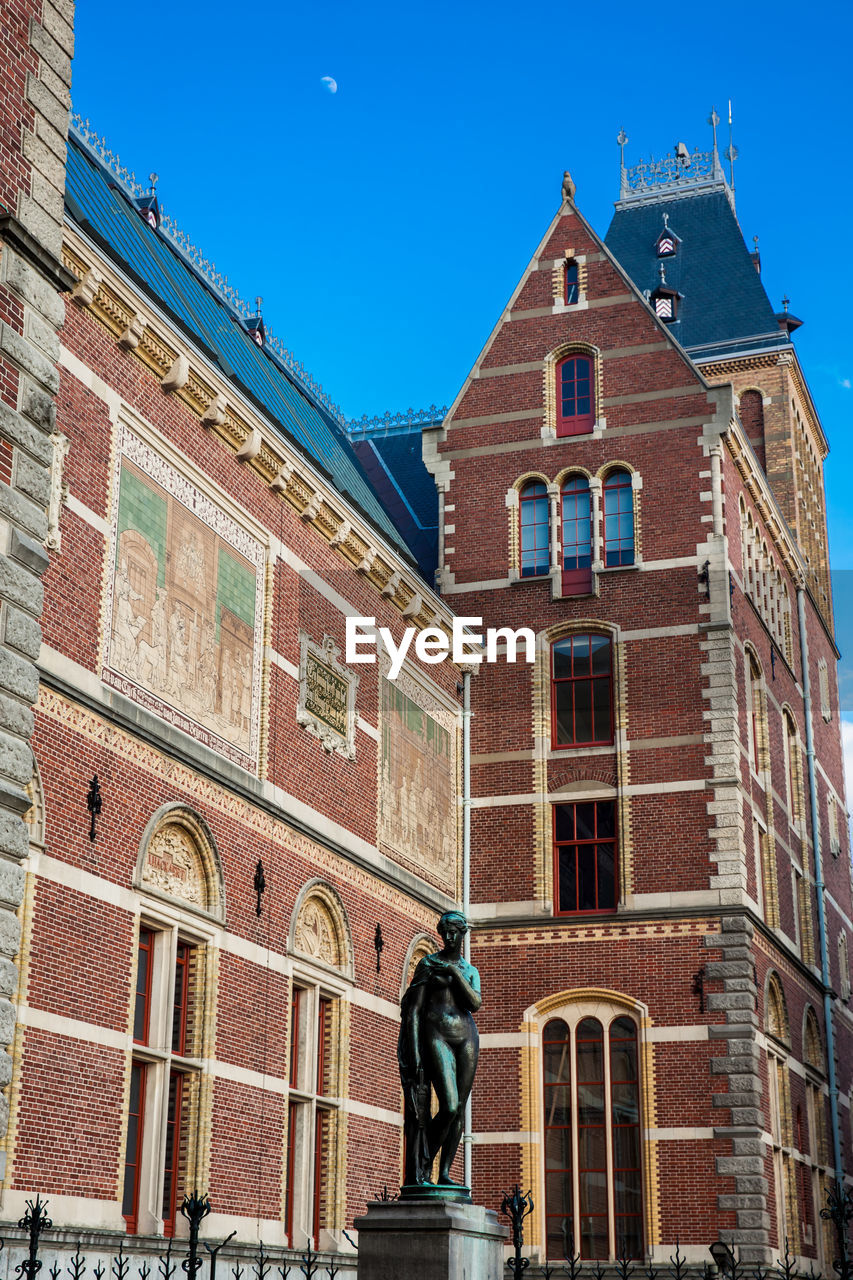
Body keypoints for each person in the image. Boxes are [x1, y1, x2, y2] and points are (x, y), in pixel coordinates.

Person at [397, 911, 481, 1189]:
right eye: (444, 932)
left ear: (462, 933)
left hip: (467, 1038)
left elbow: (474, 1003)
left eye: (454, 931)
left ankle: (444, 1172)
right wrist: (416, 1053)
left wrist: (455, 973)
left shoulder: (469, 971)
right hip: (437, 1035)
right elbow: (414, 1011)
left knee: (459, 1111)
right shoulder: (428, 964)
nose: (448, 937)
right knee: (449, 1104)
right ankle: (422, 1163)